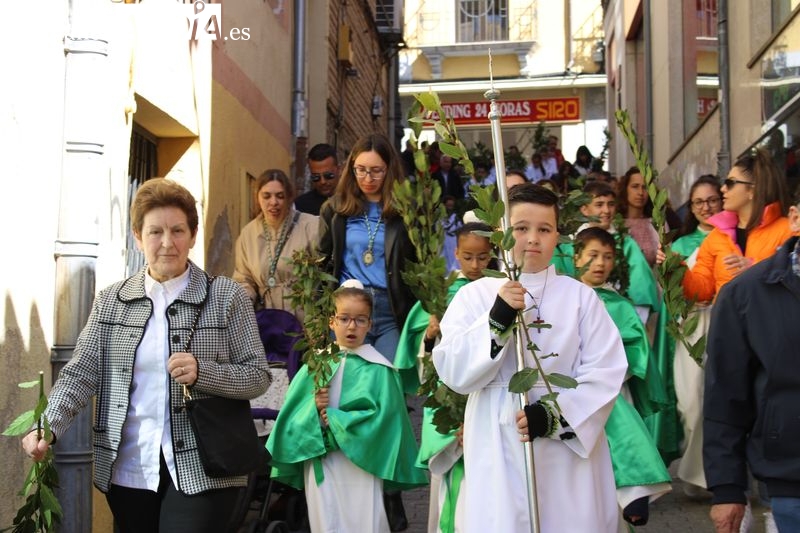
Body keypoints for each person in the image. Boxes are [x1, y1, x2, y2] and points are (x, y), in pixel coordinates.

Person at [21, 178, 271, 533]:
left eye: (177, 230)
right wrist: (47, 426)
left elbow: (258, 376)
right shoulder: (112, 300)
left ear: (193, 235)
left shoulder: (226, 297)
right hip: (129, 467)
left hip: (206, 466)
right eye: (155, 232)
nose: (167, 243)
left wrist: (203, 372)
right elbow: (80, 373)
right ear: (138, 237)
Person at [434, 183, 628, 532]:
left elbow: (606, 369)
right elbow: (452, 369)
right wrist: (496, 321)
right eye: (521, 228)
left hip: (564, 442)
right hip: (498, 430)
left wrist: (556, 416)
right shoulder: (474, 296)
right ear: (501, 232)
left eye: (545, 229)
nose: (533, 239)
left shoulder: (581, 298)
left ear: (558, 236)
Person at [266, 280, 427, 533]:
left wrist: (336, 420)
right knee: (326, 522)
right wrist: (314, 411)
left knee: (363, 521)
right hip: (324, 460)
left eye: (360, 320)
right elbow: (291, 420)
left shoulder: (381, 371)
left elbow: (386, 424)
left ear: (370, 325)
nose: (352, 326)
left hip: (363, 463)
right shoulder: (316, 366)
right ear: (332, 322)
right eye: (344, 319)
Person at [316, 132, 417, 530]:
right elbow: (323, 264)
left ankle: (390, 494)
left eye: (376, 171)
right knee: (344, 396)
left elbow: (418, 264)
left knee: (387, 399)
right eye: (360, 170)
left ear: (390, 170)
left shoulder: (405, 210)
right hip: (346, 312)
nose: (368, 178)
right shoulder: (335, 209)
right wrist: (319, 319)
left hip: (389, 313)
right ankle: (348, 486)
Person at [703, 195, 800, 533]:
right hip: (792, 480)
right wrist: (727, 488)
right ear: (795, 218)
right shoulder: (746, 294)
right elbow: (725, 395)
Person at [573, 227, 672, 526]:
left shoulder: (618, 305)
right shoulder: (567, 298)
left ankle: (631, 496)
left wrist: (609, 367)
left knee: (621, 436)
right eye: (592, 255)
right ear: (576, 258)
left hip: (613, 386)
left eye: (607, 257)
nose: (600, 263)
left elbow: (635, 347)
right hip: (572, 390)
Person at [664, 175, 723, 496]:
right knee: (690, 403)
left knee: (724, 401)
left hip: (725, 323)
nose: (706, 207)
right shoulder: (680, 245)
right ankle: (694, 475)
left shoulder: (732, 237)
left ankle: (722, 476)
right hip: (691, 326)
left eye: (712, 200)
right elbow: (669, 296)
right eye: (698, 202)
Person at [682, 147, 792, 303]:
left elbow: (795, 276)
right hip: (729, 318)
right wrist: (677, 269)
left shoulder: (788, 230)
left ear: (752, 190)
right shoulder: (715, 237)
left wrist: (756, 268)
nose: (723, 189)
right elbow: (702, 291)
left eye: (730, 183)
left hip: (773, 317)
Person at [551, 181, 659, 324]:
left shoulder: (626, 244)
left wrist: (631, 319)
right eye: (599, 204)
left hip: (618, 318)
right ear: (585, 209)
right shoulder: (568, 246)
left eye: (611, 204)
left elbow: (640, 286)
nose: (606, 211)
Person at [233, 169, 318, 318]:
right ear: (258, 197)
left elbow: (325, 271)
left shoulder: (310, 226)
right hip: (266, 319)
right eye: (266, 196)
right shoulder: (248, 234)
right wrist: (243, 301)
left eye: (280, 196)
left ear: (289, 197)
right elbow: (243, 279)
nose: (273, 202)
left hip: (304, 317)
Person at [616, 167, 662, 267]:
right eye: (635, 186)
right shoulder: (615, 223)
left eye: (645, 187)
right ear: (625, 189)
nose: (640, 192)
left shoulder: (657, 222)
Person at [295, 143, 340, 216]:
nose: (323, 181)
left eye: (328, 175)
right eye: (316, 177)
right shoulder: (301, 206)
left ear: (338, 170)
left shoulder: (353, 201)